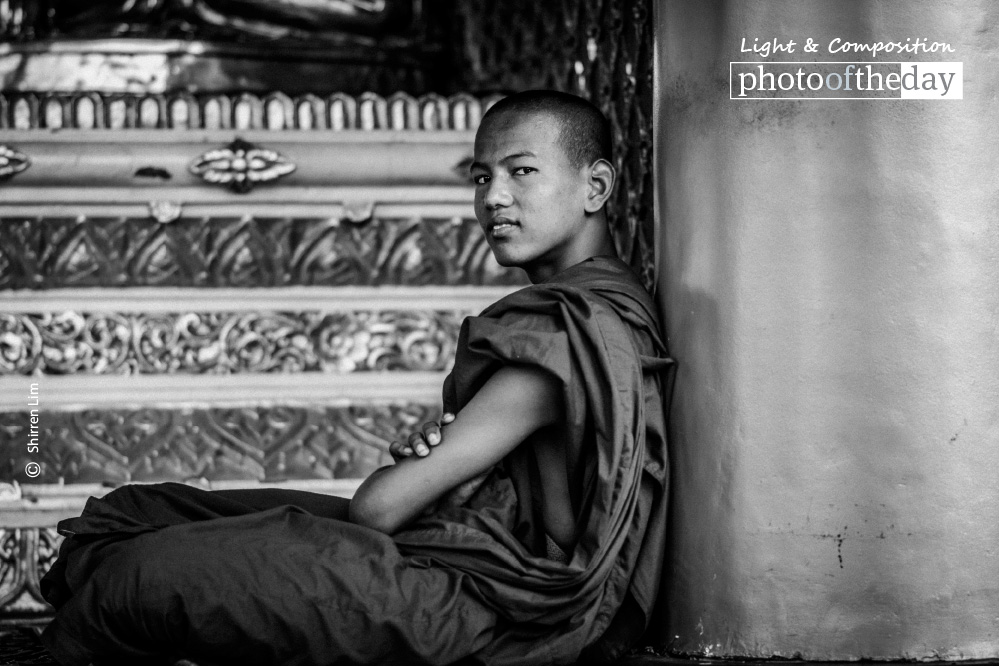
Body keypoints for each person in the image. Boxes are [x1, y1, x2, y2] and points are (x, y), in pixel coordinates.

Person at [39, 90, 674, 664]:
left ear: (596, 187)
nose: (493, 198)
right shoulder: (598, 310)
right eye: (482, 176)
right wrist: (457, 464)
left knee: (143, 575)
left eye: (521, 171)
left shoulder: (566, 329)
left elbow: (379, 507)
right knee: (136, 513)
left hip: (483, 606)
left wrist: (435, 471)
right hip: (459, 553)